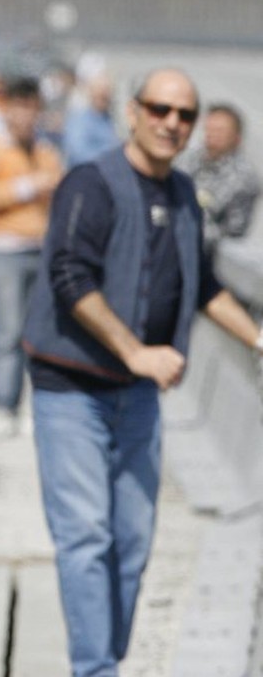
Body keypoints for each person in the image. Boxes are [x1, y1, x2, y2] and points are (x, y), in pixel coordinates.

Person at [23, 67, 263, 677]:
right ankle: (95, 669)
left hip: (139, 396)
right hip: (72, 388)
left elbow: (204, 283)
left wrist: (258, 338)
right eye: (159, 109)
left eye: (184, 115)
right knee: (87, 538)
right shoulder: (91, 184)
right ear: (132, 112)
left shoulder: (183, 197)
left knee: (131, 544)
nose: (171, 123)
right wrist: (135, 352)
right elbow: (69, 275)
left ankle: (106, 655)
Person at [0, 76, 63, 437]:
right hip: (0, 249)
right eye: (18, 107)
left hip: (40, 248)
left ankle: (30, 402)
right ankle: (0, 401)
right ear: (6, 109)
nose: (24, 116)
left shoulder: (46, 151)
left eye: (30, 108)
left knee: (37, 332)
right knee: (6, 329)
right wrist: (26, 187)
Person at [179, 103, 260, 259]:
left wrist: (185, 229)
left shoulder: (244, 179)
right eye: (209, 129)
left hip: (206, 257)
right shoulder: (189, 158)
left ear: (236, 137)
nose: (212, 135)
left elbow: (233, 234)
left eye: (220, 131)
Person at [61, 70, 120, 167]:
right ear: (91, 93)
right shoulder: (78, 120)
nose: (104, 97)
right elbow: (78, 153)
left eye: (106, 93)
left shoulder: (108, 120)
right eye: (100, 93)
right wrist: (112, 156)